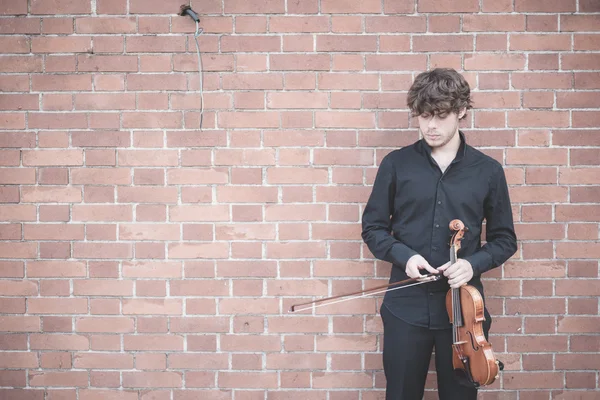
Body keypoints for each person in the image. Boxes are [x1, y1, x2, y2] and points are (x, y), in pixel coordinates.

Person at [361, 68, 518, 400]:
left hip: (464, 314)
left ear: (461, 111)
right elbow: (373, 228)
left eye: (440, 116)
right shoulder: (396, 164)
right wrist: (405, 256)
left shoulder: (488, 171)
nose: (429, 125)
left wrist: (473, 264)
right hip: (406, 308)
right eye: (423, 116)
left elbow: (505, 239)